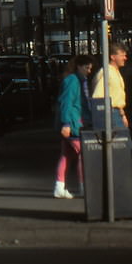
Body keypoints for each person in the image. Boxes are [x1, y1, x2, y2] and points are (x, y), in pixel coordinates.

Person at [53, 54, 93, 199]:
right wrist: (67, 123)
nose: (89, 71)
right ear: (79, 67)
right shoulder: (74, 81)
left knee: (67, 155)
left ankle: (60, 186)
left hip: (72, 123)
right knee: (83, 155)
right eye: (87, 68)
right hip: (74, 124)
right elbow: (67, 102)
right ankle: (83, 186)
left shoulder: (74, 80)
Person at [91, 42, 129, 130]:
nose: (125, 58)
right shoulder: (107, 72)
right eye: (122, 55)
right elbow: (97, 97)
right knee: (119, 142)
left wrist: (122, 115)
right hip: (110, 114)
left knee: (122, 142)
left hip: (116, 113)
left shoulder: (115, 72)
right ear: (113, 57)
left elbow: (116, 97)